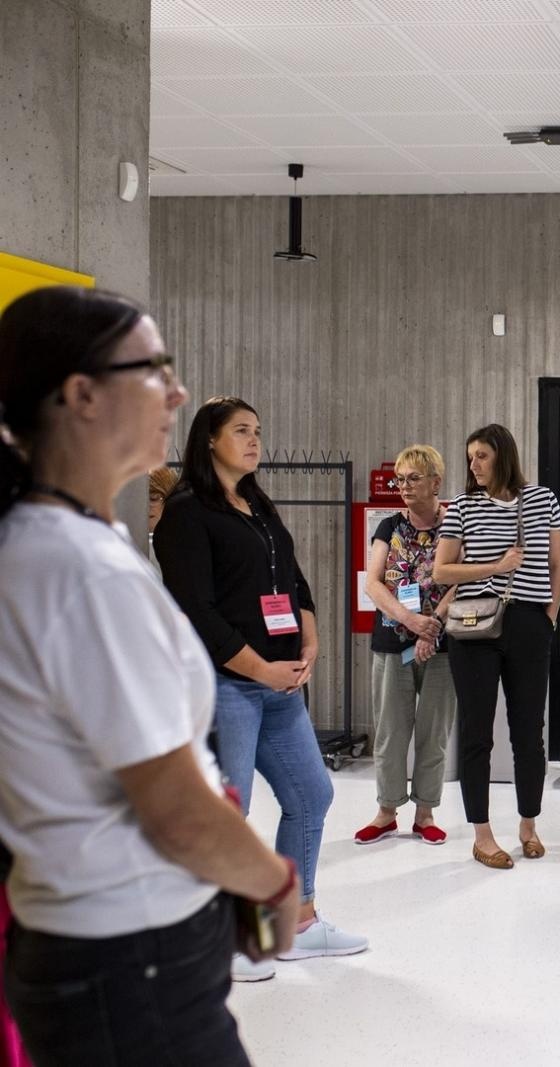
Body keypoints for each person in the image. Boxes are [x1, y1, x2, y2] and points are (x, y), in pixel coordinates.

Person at [0, 287, 298, 1062]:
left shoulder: (50, 544)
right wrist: (272, 881)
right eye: (154, 369)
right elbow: (175, 808)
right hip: (130, 956)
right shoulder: (80, 570)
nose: (178, 391)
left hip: (95, 943)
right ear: (81, 395)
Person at [157, 396, 367, 980]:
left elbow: (294, 581)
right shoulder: (186, 513)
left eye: (258, 431)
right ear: (208, 441)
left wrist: (311, 642)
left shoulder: (257, 505)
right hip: (228, 686)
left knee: (311, 797)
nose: (255, 440)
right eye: (241, 431)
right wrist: (259, 668)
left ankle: (292, 924)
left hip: (280, 683)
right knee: (230, 811)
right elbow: (196, 610)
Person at [433, 424, 560, 869]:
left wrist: (550, 617)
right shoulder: (462, 508)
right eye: (470, 457)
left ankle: (528, 825)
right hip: (474, 624)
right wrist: (494, 565)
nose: (474, 464)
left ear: (503, 455)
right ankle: (482, 834)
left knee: (530, 732)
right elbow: (442, 572)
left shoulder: (543, 500)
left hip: (530, 622)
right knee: (476, 734)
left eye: (482, 456)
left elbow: (557, 565)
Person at [356, 445, 458, 848]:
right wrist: (410, 620)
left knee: (434, 732)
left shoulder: (455, 527)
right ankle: (386, 811)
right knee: (391, 730)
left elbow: (460, 580)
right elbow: (373, 582)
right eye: (400, 479)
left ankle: (426, 812)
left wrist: (430, 628)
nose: (404, 486)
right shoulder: (389, 528)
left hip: (442, 645)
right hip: (391, 642)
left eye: (413, 478)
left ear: (436, 481)